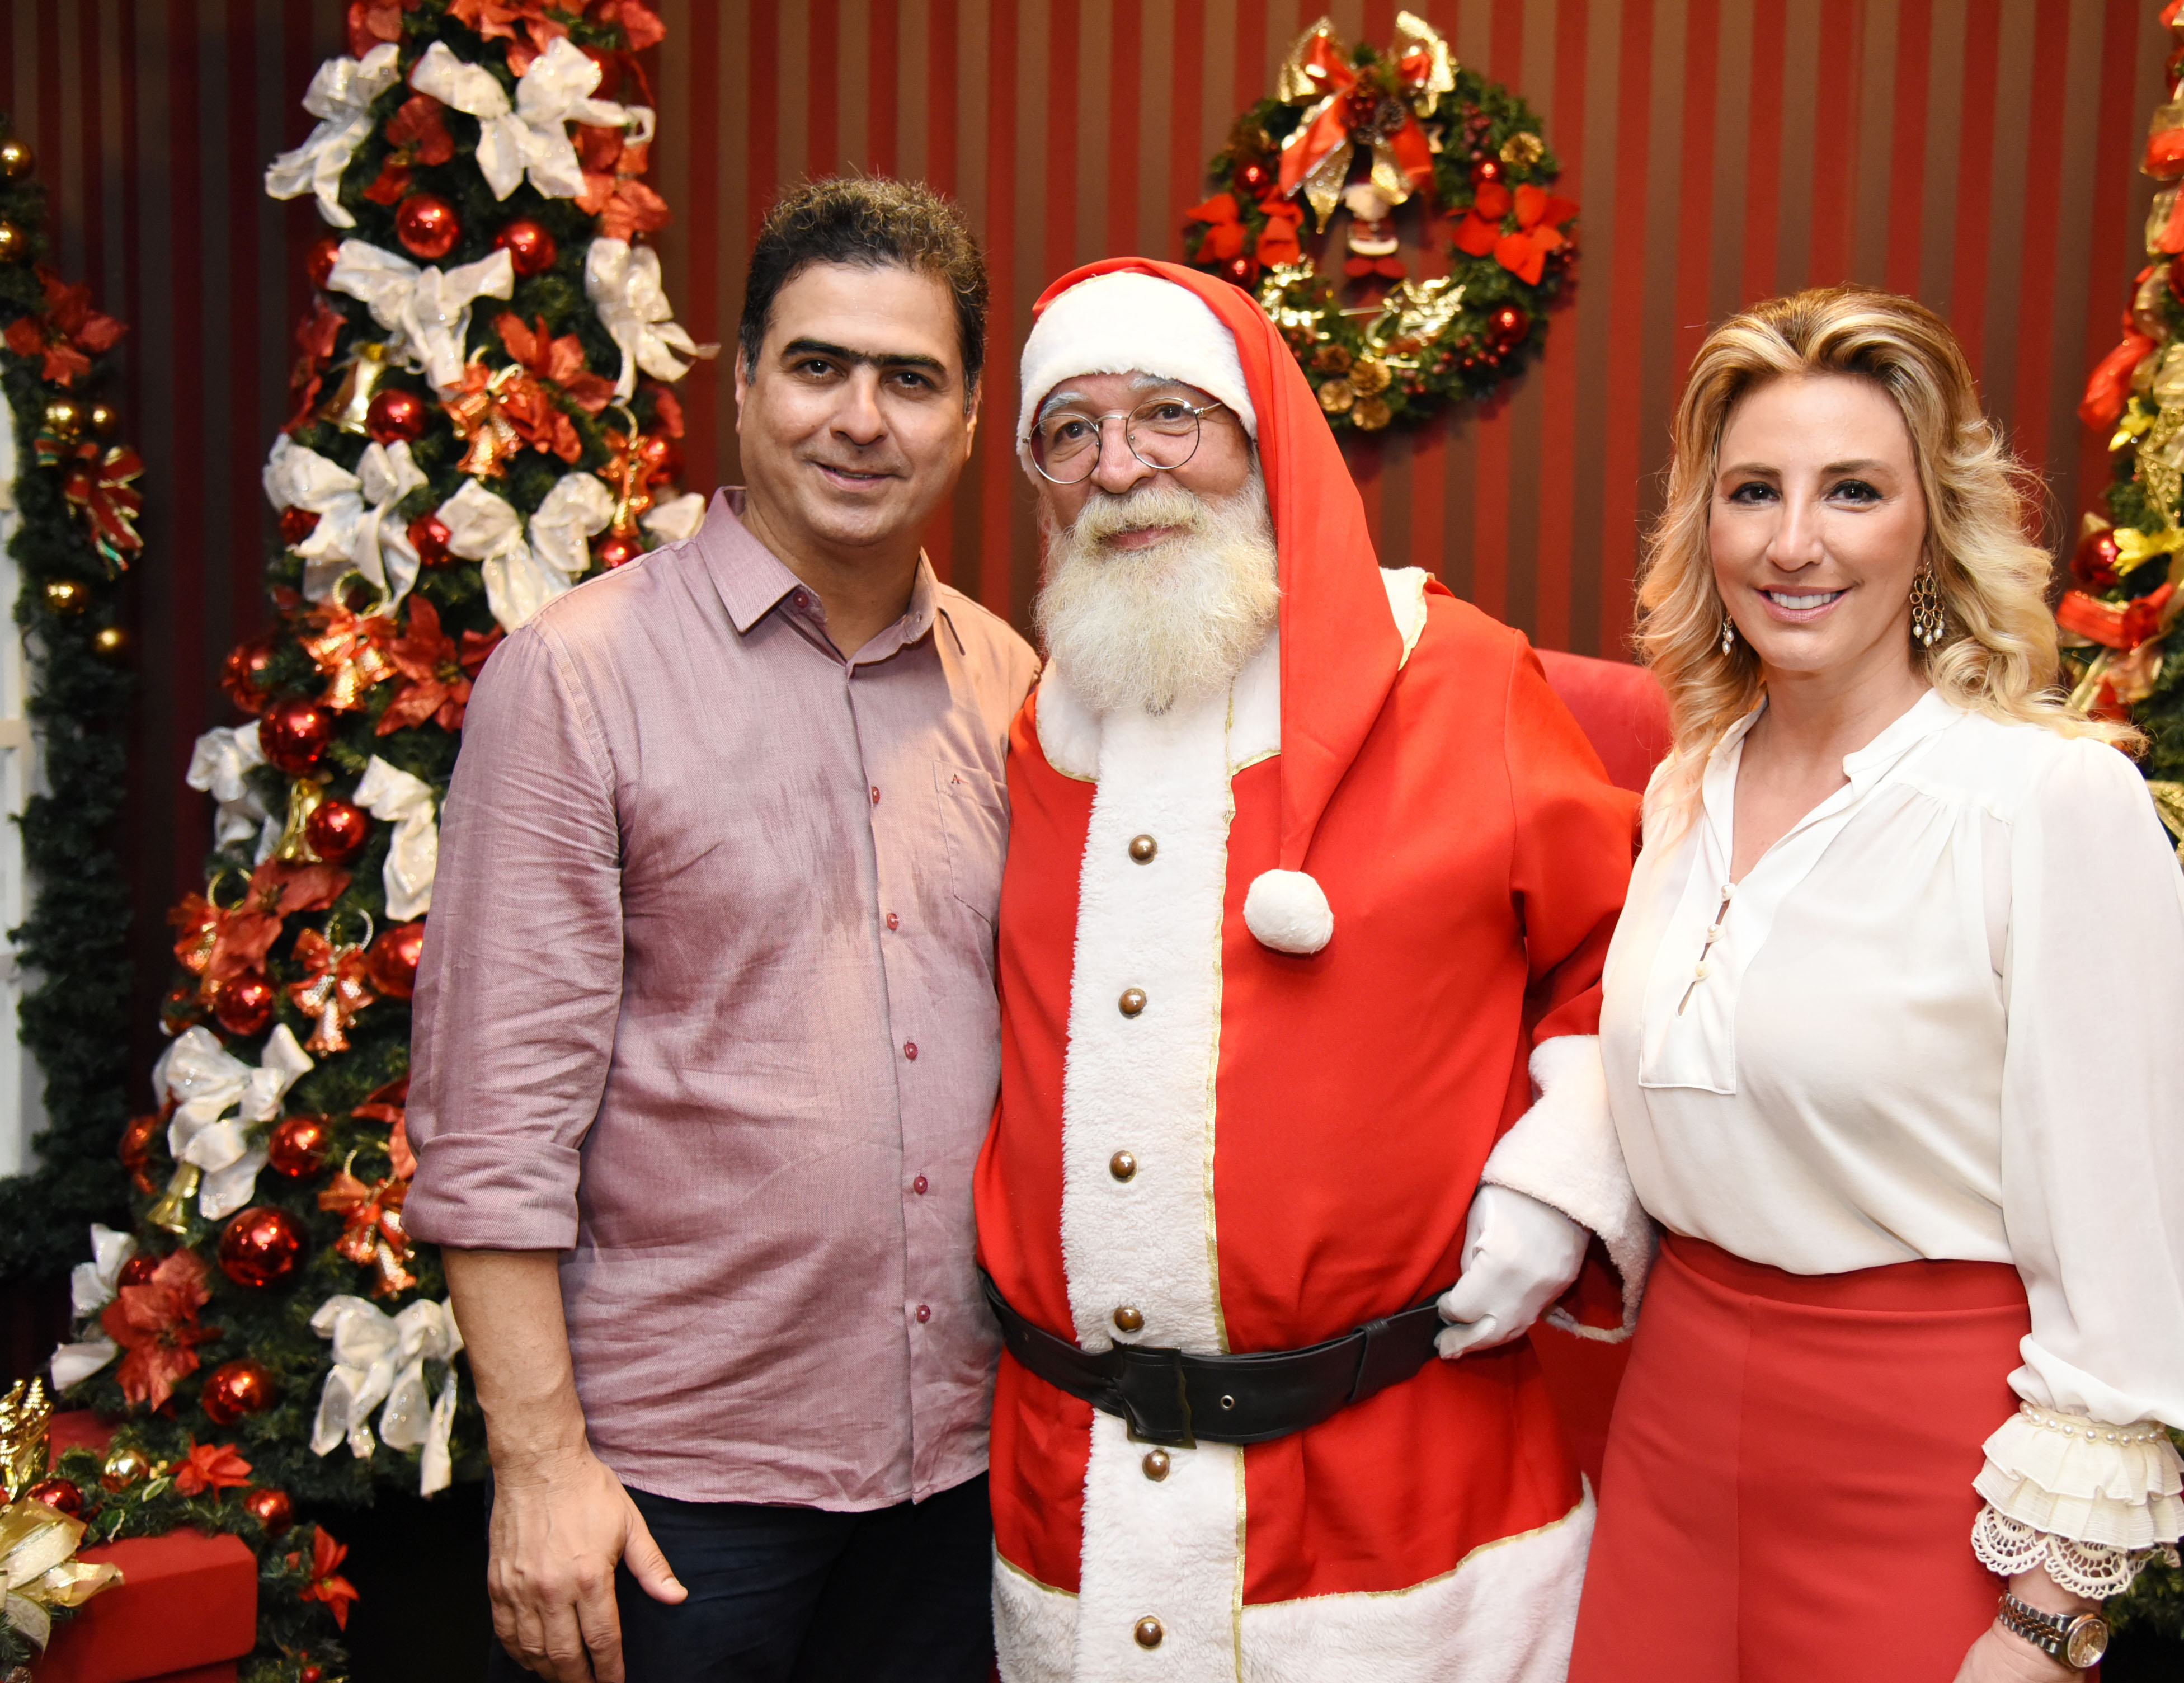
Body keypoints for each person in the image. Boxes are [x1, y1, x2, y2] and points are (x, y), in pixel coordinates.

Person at [973, 257, 1651, 1683]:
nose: (1121, 468)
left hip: (1391, 1506)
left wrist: (1561, 1176)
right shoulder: (1039, 726)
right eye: (1071, 432)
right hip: (1074, 1498)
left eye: (1171, 414)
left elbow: (1635, 949)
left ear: (1262, 433)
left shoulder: (1460, 680)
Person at [404, 177, 1035, 1683]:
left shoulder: (1013, 686)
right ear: (742, 381)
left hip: (962, 1473)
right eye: (818, 366)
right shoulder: (578, 678)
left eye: (910, 380)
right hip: (676, 1494)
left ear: (967, 418)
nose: (861, 420)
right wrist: (541, 1469)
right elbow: (493, 1127)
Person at [1567, 286, 2184, 1682]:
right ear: (1705, 524)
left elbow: (2127, 1269)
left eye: (1854, 491)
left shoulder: (2049, 804)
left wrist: (2042, 1624)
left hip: (1930, 1471)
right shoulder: (1685, 786)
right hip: (1670, 1437)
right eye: (1754, 490)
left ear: (1932, 523)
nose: (1793, 542)